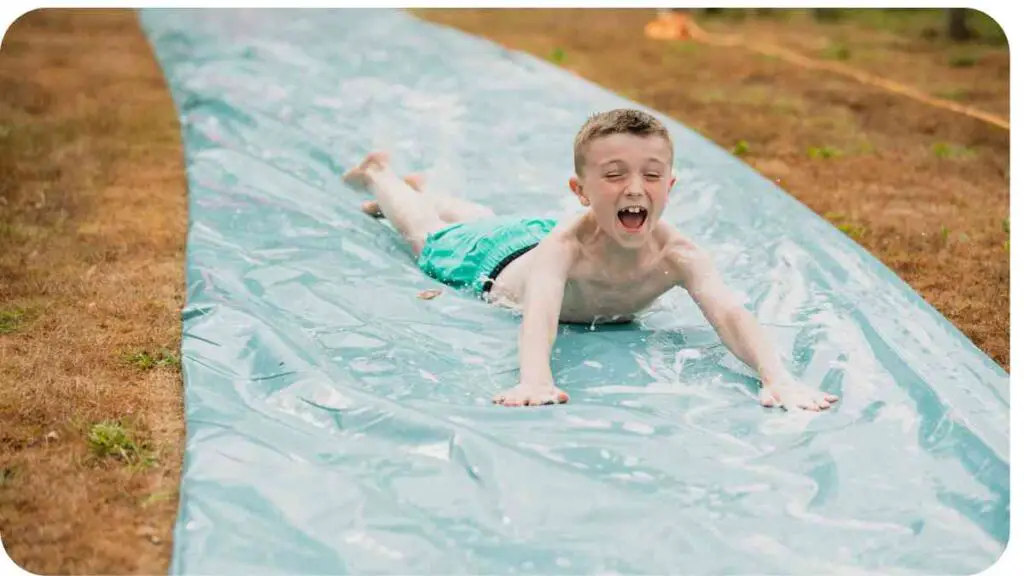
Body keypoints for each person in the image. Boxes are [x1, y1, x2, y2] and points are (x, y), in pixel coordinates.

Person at [343, 108, 839, 411]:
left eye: (651, 175)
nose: (633, 188)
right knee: (428, 238)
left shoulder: (679, 253)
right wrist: (535, 380)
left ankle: (429, 192)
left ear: (670, 186)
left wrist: (777, 377)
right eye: (614, 175)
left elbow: (730, 314)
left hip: (527, 234)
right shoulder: (566, 248)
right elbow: (539, 315)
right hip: (496, 261)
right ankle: (380, 175)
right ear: (581, 191)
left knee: (491, 218)